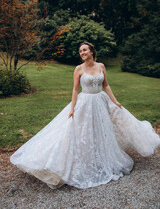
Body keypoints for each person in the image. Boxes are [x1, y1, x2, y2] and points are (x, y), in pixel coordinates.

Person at [10, 42, 160, 190]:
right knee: (82, 132)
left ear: (92, 51)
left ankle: (101, 158)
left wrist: (115, 101)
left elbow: (106, 85)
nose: (82, 53)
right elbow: (75, 90)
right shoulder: (78, 69)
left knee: (101, 131)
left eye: (84, 50)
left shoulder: (101, 66)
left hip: (100, 101)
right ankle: (83, 159)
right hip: (85, 103)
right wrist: (72, 108)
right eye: (80, 51)